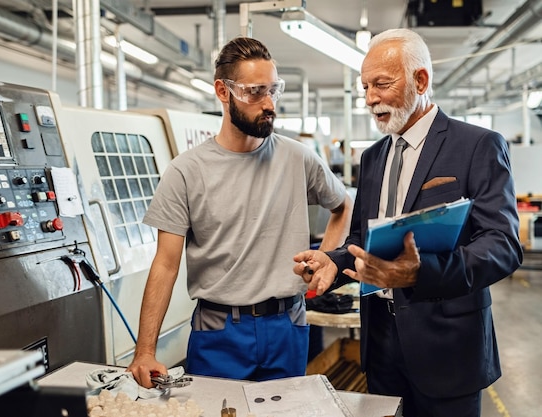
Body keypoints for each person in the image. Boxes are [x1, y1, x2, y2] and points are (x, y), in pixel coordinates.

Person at [293, 28, 522, 417]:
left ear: (421, 80)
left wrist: (420, 273)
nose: (369, 99)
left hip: (448, 349)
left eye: (381, 84)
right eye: (365, 87)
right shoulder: (374, 158)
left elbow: (502, 245)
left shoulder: (477, 146)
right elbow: (363, 242)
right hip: (381, 346)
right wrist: (334, 261)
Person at [128, 36, 352, 388]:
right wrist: (145, 350)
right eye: (254, 92)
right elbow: (166, 263)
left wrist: (326, 259)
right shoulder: (186, 171)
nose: (268, 104)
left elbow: (342, 205)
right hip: (219, 331)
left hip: (287, 325)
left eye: (274, 91)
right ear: (223, 91)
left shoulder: (298, 158)